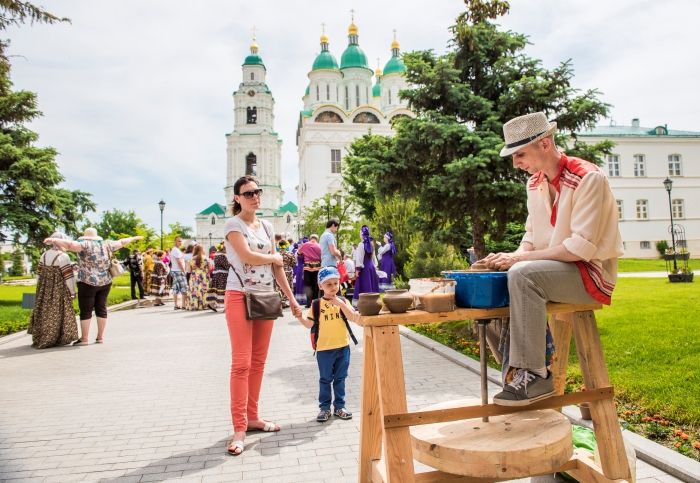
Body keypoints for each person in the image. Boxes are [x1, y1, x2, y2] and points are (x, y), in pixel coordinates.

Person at [483, 112, 623, 406]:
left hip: (589, 274)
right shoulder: (535, 184)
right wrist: (511, 257)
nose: (515, 163)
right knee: (491, 280)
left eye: (520, 154)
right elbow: (531, 237)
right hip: (554, 271)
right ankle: (512, 370)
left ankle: (535, 375)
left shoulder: (588, 178)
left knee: (522, 275)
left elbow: (579, 250)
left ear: (545, 144)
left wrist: (521, 262)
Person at [223, 176, 301, 456]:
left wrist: (290, 299)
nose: (255, 197)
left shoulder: (267, 225)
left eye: (257, 192)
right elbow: (245, 256)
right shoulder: (233, 224)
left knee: (258, 361)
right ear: (237, 198)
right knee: (241, 364)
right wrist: (275, 257)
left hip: (266, 297)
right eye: (248, 193)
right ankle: (240, 428)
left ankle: (253, 417)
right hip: (239, 296)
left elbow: (277, 268)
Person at [44, 228, 143, 345]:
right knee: (101, 308)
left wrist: (54, 239)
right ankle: (100, 336)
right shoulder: (107, 245)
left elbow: (70, 245)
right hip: (105, 281)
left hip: (87, 281)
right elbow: (122, 242)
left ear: (85, 237)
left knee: (86, 310)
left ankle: (84, 338)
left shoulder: (83, 245)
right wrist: (134, 238)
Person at [295, 266, 357, 422]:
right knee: (325, 379)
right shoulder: (316, 305)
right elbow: (310, 325)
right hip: (324, 349)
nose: (333, 287)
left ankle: (339, 407)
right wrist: (300, 317)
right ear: (320, 286)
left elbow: (353, 317)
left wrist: (341, 304)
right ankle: (324, 408)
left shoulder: (343, 301)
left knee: (340, 378)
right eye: (328, 284)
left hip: (343, 347)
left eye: (336, 283)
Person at [28, 232, 78, 349]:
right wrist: (72, 291)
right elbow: (68, 276)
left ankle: (42, 336)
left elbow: (39, 274)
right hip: (58, 288)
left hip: (44, 287)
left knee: (44, 311)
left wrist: (41, 287)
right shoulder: (63, 256)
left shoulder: (44, 255)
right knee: (57, 311)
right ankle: (57, 337)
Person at [352, 225, 380, 307]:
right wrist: (375, 265)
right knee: (370, 284)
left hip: (364, 268)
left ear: (362, 234)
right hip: (371, 267)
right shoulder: (371, 244)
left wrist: (358, 269)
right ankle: (372, 304)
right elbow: (373, 257)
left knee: (364, 285)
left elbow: (360, 257)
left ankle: (364, 305)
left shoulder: (361, 244)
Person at [297, 234, 322, 307]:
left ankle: (309, 303)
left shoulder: (305, 244)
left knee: (308, 285)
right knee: (316, 285)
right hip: (317, 267)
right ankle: (316, 302)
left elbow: (299, 253)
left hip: (307, 267)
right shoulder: (319, 245)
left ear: (310, 238)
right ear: (317, 239)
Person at [206, 244, 230, 312]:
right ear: (224, 249)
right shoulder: (222, 256)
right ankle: (224, 306)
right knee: (222, 289)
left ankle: (211, 303)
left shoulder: (216, 255)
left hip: (216, 274)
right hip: (222, 275)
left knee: (215, 289)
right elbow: (226, 265)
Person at [186, 245, 210, 311]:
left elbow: (189, 271)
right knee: (204, 290)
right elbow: (210, 268)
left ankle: (194, 305)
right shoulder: (206, 258)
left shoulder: (191, 259)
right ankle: (204, 304)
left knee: (195, 290)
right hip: (204, 275)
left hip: (194, 276)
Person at [274, 239, 296, 309]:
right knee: (288, 285)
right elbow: (294, 263)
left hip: (278, 271)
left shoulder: (276, 254)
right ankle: (286, 300)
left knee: (279, 285)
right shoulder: (290, 254)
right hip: (288, 272)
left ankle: (280, 301)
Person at [169, 237, 188, 310]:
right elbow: (179, 262)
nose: (180, 243)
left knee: (176, 288)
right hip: (178, 271)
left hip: (175, 270)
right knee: (184, 287)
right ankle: (183, 304)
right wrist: (184, 271)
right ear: (175, 242)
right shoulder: (176, 250)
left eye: (181, 241)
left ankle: (176, 304)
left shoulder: (176, 250)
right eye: (178, 241)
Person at [292, 240, 307, 306]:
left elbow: (295, 262)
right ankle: (305, 299)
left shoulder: (296, 253)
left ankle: (300, 299)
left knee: (299, 283)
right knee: (303, 283)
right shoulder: (305, 252)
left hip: (299, 268)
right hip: (305, 267)